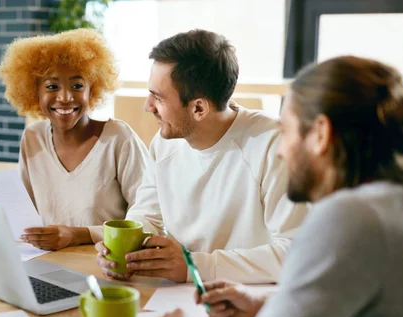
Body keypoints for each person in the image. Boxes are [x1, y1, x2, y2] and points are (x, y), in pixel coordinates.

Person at [149, 56, 403, 317]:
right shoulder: (391, 205)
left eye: (286, 132)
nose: (281, 152)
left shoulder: (351, 219)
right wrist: (268, 305)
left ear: (319, 135)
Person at [95, 30, 307, 283]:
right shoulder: (163, 144)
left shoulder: (274, 145)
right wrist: (121, 248)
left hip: (249, 302)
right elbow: (147, 214)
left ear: (198, 108)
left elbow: (296, 252)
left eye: (158, 97)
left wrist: (195, 266)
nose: (148, 106)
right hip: (178, 293)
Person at [0, 29, 150, 251]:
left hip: (106, 262)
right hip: (49, 262)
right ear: (34, 91)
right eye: (52, 86)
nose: (65, 97)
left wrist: (77, 235)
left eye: (77, 86)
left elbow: (148, 219)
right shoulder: (32, 138)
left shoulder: (118, 138)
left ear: (92, 89)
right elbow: (25, 215)